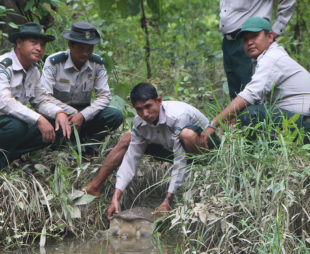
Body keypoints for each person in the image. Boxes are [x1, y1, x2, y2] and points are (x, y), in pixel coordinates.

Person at [104, 82, 220, 219]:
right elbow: (131, 159)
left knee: (186, 135)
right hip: (175, 149)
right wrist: (116, 196)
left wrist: (167, 200)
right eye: (139, 109)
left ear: (159, 101)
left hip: (207, 148)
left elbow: (180, 159)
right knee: (131, 136)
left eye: (148, 106)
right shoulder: (139, 124)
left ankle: (201, 170)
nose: (145, 114)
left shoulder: (178, 116)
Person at [206, 17, 310, 144]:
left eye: (254, 36)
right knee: (245, 117)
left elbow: (250, 94)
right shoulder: (264, 58)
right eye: (245, 40)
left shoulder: (272, 57)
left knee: (251, 115)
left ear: (270, 36)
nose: (249, 42)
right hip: (296, 122)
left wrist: (214, 123)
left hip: (305, 123)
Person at [0, 22, 71, 168]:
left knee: (57, 126)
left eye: (42, 45)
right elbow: (4, 102)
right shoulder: (4, 65)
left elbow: (40, 100)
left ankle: (9, 156)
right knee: (16, 127)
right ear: (19, 42)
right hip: (6, 124)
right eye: (33, 42)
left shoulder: (33, 70)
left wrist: (59, 112)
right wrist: (38, 118)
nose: (39, 48)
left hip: (14, 126)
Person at [40, 21, 123, 143]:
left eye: (89, 49)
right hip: (59, 112)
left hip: (85, 113)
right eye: (81, 48)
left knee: (115, 115)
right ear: (70, 45)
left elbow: (105, 96)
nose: (85, 53)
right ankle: (64, 142)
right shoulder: (54, 62)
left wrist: (83, 115)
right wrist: (71, 113)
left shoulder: (97, 64)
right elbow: (44, 96)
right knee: (45, 126)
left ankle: (86, 144)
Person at [219, 0, 296, 100]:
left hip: (251, 39)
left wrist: (277, 28)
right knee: (235, 90)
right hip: (229, 41)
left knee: (251, 92)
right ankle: (237, 116)